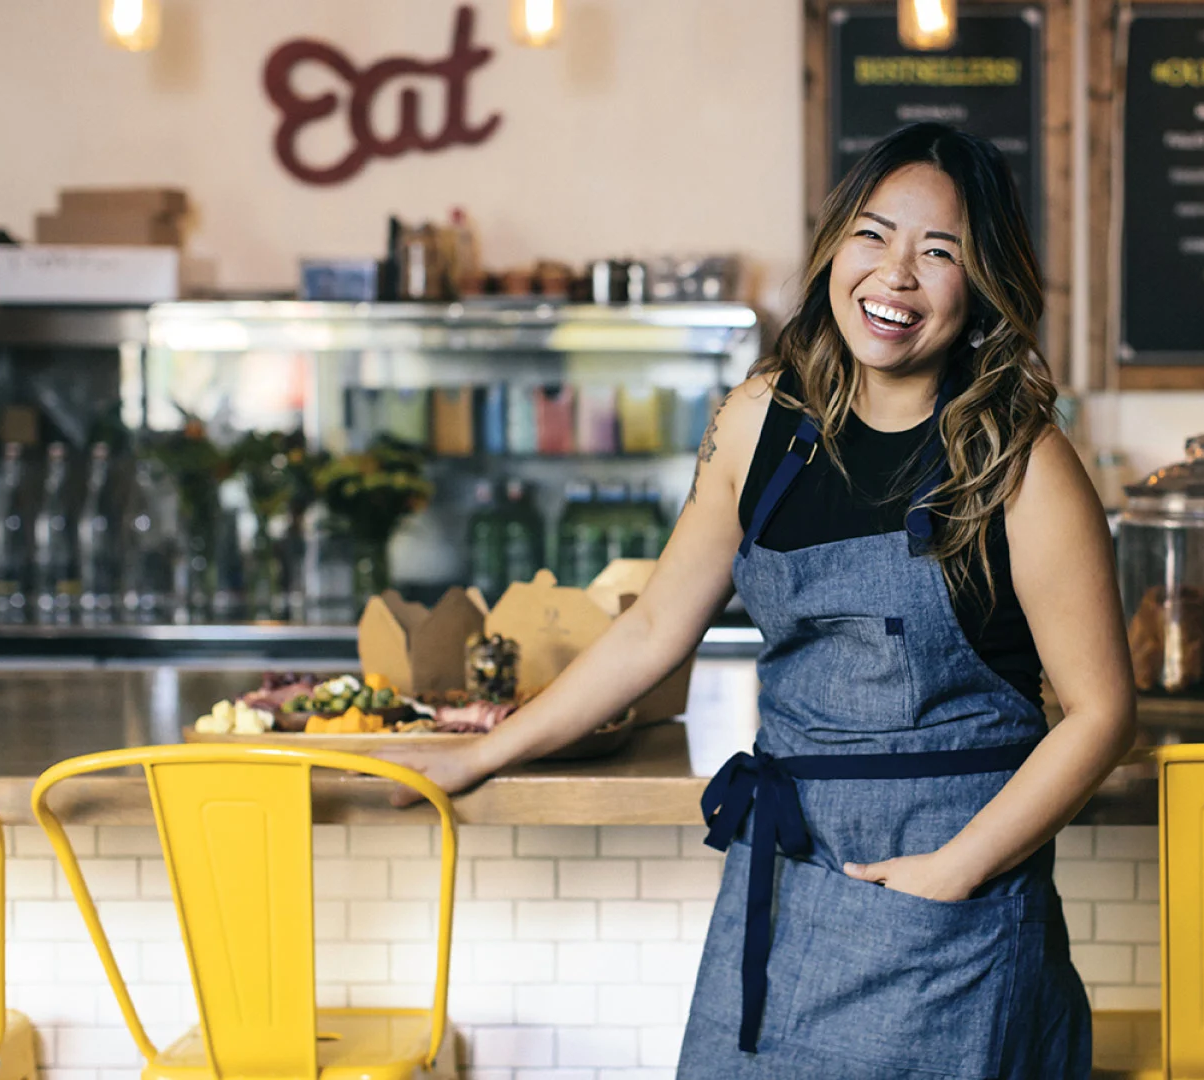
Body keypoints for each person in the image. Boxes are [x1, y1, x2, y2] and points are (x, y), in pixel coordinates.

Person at [384, 122, 1135, 1079]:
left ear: (983, 285)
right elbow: (654, 626)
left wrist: (957, 870)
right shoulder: (758, 423)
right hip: (782, 879)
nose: (895, 275)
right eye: (873, 236)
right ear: (834, 248)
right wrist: (482, 752)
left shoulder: (1022, 464)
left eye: (939, 252)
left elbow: (1102, 714)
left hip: (951, 908)